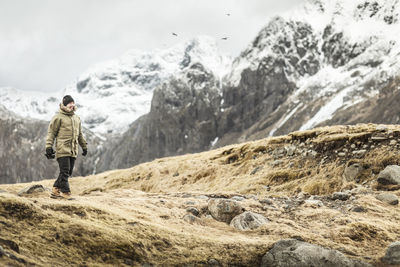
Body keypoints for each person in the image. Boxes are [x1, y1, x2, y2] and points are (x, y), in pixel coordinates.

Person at [45, 95, 87, 199]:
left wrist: (84, 146)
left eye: (73, 103)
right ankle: (66, 193)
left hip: (73, 150)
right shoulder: (58, 117)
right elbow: (51, 133)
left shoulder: (76, 118)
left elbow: (80, 134)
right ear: (64, 105)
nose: (72, 106)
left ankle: (55, 190)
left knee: (68, 172)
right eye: (69, 104)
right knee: (65, 171)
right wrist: (48, 147)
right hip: (62, 149)